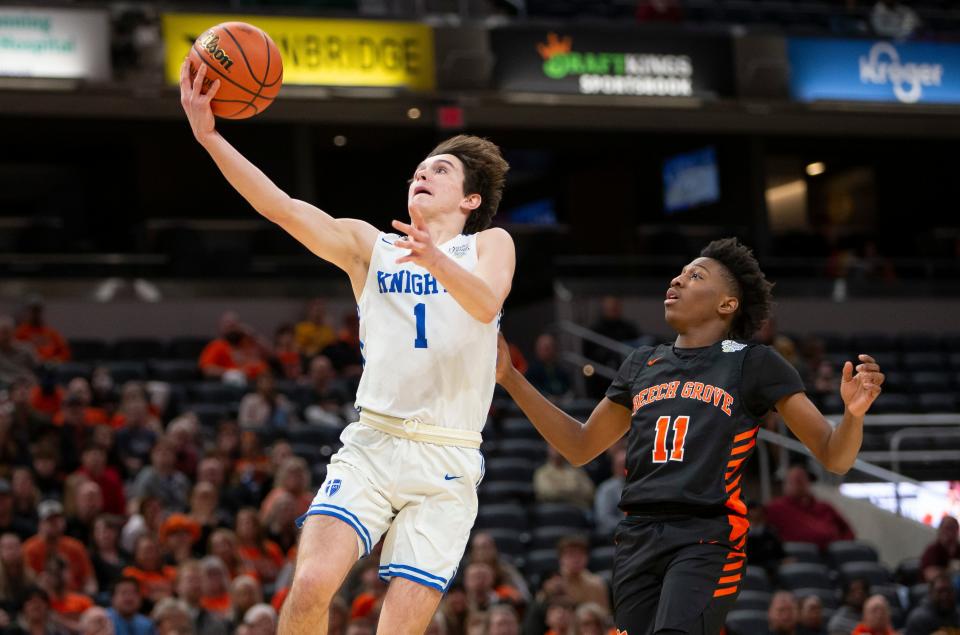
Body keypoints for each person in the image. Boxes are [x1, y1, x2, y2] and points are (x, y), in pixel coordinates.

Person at [181, 59, 514, 635]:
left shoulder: (489, 244)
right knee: (309, 584)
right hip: (374, 442)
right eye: (419, 168)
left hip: (448, 458)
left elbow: (486, 304)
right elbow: (281, 207)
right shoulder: (371, 245)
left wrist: (435, 258)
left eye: (439, 170)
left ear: (469, 201)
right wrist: (209, 135)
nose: (422, 174)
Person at [494, 238, 885, 635]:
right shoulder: (641, 363)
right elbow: (579, 446)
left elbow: (835, 457)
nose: (677, 281)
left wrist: (853, 415)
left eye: (695, 276)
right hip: (637, 536)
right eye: (679, 274)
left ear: (727, 304)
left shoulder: (755, 362)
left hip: (707, 535)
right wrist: (510, 377)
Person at [766, 465, 855, 551]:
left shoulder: (824, 507)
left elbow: (848, 531)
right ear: (786, 484)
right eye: (795, 481)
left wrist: (840, 547)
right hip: (798, 558)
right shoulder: (776, 508)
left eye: (802, 480)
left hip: (832, 556)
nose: (799, 484)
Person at [533, 446, 595, 510]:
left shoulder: (577, 471)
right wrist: (574, 489)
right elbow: (546, 492)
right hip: (554, 511)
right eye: (553, 448)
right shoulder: (542, 472)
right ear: (548, 450)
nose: (556, 450)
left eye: (558, 446)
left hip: (578, 510)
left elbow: (589, 492)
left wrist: (558, 487)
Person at [13, 297, 70, 364]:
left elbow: (65, 352)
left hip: (50, 367)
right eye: (33, 311)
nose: (35, 314)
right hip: (29, 366)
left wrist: (56, 360)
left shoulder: (51, 332)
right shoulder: (20, 332)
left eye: (38, 311)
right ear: (28, 312)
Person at [920, 515, 959, 583]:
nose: (949, 533)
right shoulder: (932, 550)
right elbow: (930, 575)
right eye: (947, 528)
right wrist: (951, 570)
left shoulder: (958, 549)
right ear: (940, 530)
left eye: (952, 529)